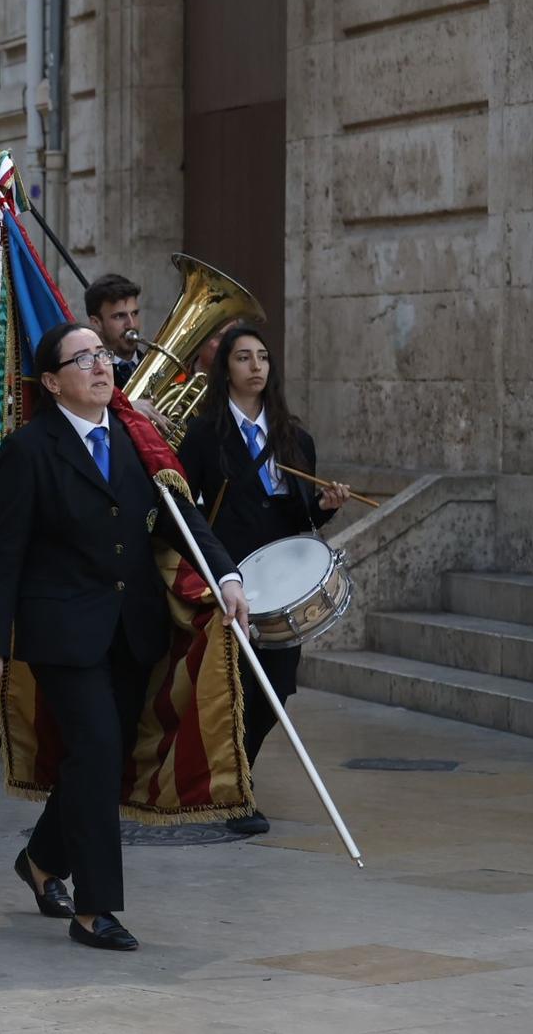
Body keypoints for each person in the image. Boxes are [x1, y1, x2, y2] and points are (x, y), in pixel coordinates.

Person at [0, 322, 247, 951]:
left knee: (105, 758)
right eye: (83, 358)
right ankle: (95, 910)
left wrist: (225, 572)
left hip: (132, 630)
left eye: (102, 355)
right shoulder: (29, 450)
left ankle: (40, 860)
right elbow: (5, 554)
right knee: (94, 748)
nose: (100, 366)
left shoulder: (134, 440)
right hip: (62, 632)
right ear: (52, 381)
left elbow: (179, 520)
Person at [177, 323, 347, 837]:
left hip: (283, 581)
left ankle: (237, 773)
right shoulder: (205, 435)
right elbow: (184, 505)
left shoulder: (295, 438)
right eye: (244, 357)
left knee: (279, 686)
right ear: (224, 367)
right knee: (237, 685)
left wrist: (325, 508)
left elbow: (304, 520)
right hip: (230, 571)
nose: (256, 366)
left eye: (263, 358)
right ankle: (233, 792)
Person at [83, 274, 144, 389]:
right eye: (119, 316)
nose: (131, 324)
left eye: (134, 313)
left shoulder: (157, 366)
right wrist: (124, 407)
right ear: (96, 323)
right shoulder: (88, 376)